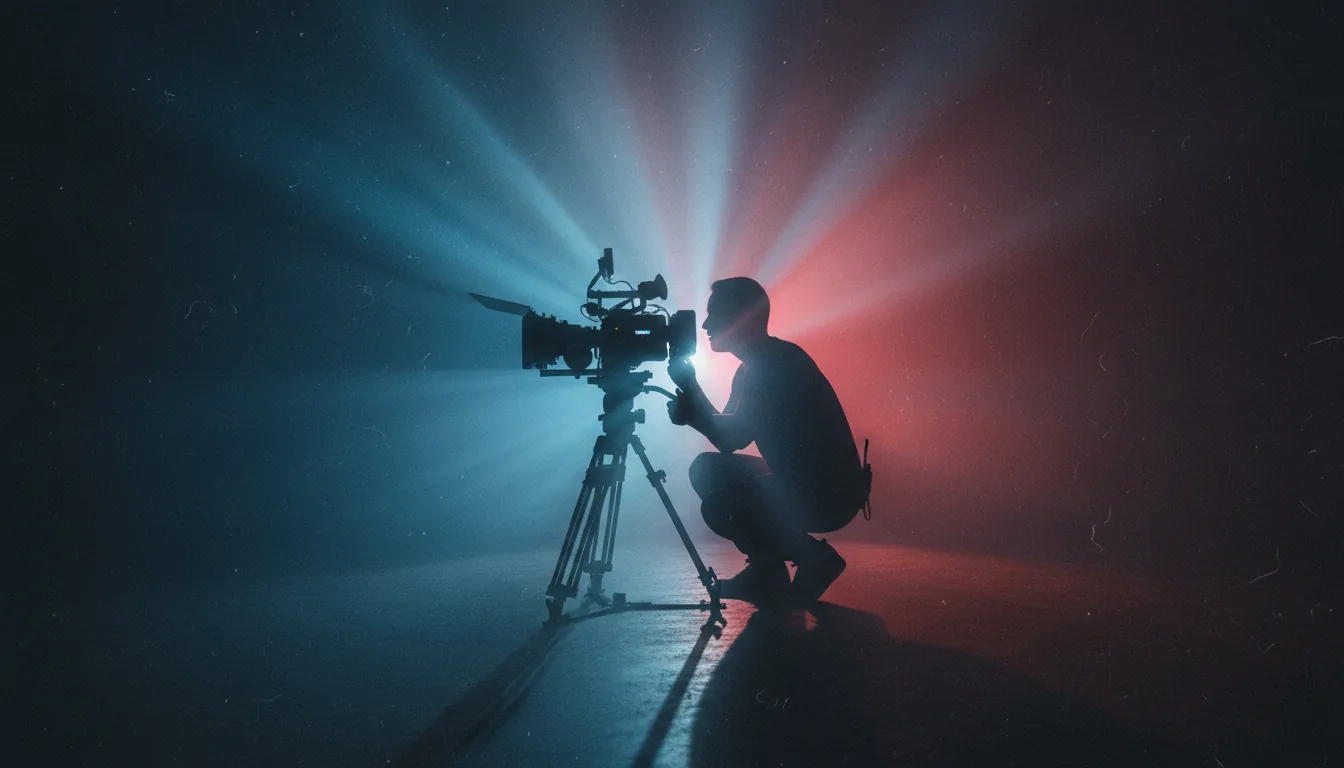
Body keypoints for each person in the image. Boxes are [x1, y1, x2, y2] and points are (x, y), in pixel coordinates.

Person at [666, 277, 870, 608]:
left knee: (721, 506)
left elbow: (730, 437)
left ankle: (812, 558)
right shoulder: (758, 364)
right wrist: (691, 397)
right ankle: (767, 572)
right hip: (812, 484)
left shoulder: (773, 366)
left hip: (825, 494)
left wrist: (691, 396)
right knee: (707, 469)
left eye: (715, 314)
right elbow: (727, 433)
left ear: (740, 317)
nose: (705, 325)